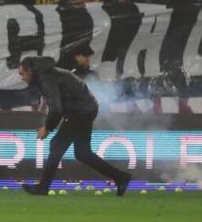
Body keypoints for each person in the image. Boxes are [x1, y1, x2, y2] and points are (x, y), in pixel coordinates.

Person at [18, 56, 131, 196]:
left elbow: (57, 108)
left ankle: (42, 187)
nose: (21, 78)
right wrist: (49, 125)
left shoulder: (45, 78)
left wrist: (47, 128)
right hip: (87, 109)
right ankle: (121, 177)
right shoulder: (48, 73)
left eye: (22, 73)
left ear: (30, 70)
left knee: (56, 145)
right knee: (82, 153)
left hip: (80, 112)